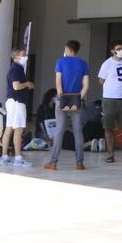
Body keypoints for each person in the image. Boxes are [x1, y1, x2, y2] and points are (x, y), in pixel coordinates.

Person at [45, 40, 89, 171]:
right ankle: (79, 163)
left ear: (68, 49)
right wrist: (77, 100)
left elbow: (58, 81)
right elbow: (86, 86)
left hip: (62, 100)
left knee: (59, 131)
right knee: (78, 132)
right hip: (77, 100)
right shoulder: (83, 64)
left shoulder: (61, 62)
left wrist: (62, 98)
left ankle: (53, 163)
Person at [1, 47, 34, 168]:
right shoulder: (16, 69)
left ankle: (4, 157)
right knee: (18, 129)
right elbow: (16, 86)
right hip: (17, 102)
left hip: (11, 102)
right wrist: (27, 84)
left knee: (9, 128)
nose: (26, 57)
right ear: (16, 57)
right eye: (23, 55)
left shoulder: (16, 69)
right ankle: (18, 158)